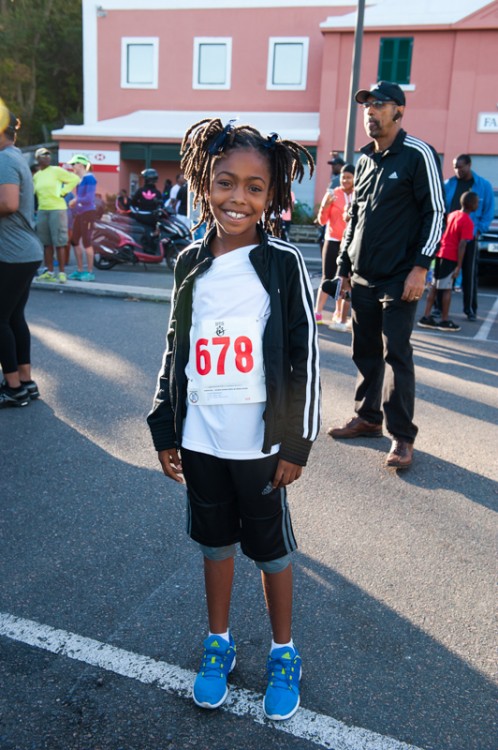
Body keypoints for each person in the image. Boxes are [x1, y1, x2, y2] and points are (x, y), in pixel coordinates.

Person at [147, 117, 320, 721]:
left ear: (271, 196)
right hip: (201, 439)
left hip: (260, 445)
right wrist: (165, 424)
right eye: (225, 182)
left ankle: (283, 651)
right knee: (214, 543)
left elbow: (303, 355)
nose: (238, 198)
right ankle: (218, 642)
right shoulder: (189, 262)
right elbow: (178, 344)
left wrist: (295, 442)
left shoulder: (282, 263)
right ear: (204, 184)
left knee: (271, 551)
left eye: (254, 186)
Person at [328, 81, 445, 469]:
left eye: (379, 104)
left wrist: (421, 267)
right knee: (364, 350)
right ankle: (367, 418)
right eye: (366, 106)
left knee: (396, 353)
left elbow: (436, 213)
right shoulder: (363, 161)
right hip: (363, 275)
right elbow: (355, 218)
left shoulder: (418, 154)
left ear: (399, 111)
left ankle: (402, 436)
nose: (370, 111)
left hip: (400, 277)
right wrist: (344, 269)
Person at [0, 110, 43, 407]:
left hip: (13, 254)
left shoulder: (4, 159)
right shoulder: (15, 156)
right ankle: (25, 381)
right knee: (14, 317)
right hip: (24, 252)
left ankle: (13, 388)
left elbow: (8, 203)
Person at [418, 191, 479, 333]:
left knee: (434, 286)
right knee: (447, 289)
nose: (478, 205)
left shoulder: (452, 215)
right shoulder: (467, 221)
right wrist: (458, 266)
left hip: (440, 253)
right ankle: (444, 320)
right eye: (477, 202)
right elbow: (462, 244)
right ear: (471, 205)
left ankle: (426, 316)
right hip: (450, 257)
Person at [444, 154, 494, 321]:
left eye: (461, 167)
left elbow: (488, 212)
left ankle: (470, 309)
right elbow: (442, 207)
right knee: (444, 275)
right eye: (455, 167)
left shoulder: (483, 185)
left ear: (469, 165)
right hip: (450, 239)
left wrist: (478, 231)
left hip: (469, 238)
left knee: (469, 275)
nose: (458, 170)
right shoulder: (448, 184)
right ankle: (439, 309)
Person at [314, 163, 355, 331]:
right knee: (328, 276)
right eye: (343, 177)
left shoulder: (358, 194)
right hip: (332, 240)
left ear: (355, 178)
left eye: (349, 177)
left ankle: (339, 313)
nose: (345, 180)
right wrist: (324, 206)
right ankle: (317, 312)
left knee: (344, 279)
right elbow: (322, 220)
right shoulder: (333, 194)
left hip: (350, 243)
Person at [32, 147, 79, 283]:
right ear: (37, 159)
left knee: (59, 242)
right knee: (46, 243)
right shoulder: (36, 176)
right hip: (42, 210)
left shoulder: (56, 170)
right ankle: (50, 272)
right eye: (43, 155)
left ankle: (62, 273)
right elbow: (33, 193)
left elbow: (75, 179)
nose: (47, 157)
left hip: (57, 209)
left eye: (48, 155)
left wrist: (63, 192)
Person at [67, 154, 97, 281]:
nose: (72, 167)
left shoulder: (90, 178)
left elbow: (88, 199)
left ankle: (90, 273)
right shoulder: (81, 179)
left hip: (88, 213)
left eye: (73, 164)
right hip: (80, 214)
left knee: (86, 242)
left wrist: (75, 200)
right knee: (74, 241)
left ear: (80, 165)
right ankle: (79, 270)